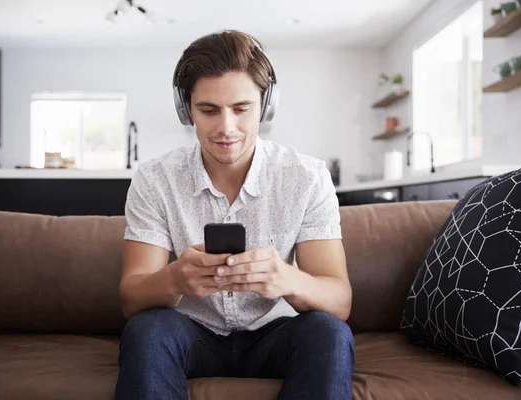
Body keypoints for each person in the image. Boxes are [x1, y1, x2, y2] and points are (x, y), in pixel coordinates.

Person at [115, 30, 355, 400]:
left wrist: (287, 279)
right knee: (146, 330)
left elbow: (339, 300)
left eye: (242, 109)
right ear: (186, 109)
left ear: (266, 106)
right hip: (191, 334)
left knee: (329, 333)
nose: (226, 128)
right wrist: (176, 278)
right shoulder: (154, 179)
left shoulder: (307, 177)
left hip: (275, 337)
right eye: (208, 110)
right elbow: (131, 298)